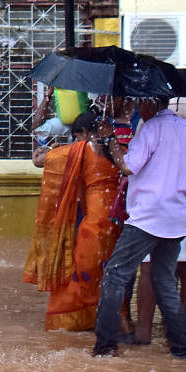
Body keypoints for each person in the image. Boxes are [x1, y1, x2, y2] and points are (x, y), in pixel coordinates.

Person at [93, 95, 186, 358]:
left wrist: (110, 138)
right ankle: (183, 348)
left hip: (147, 217)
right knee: (165, 282)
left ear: (150, 103)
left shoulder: (150, 128)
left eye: (138, 103)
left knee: (115, 274)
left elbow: (127, 167)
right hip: (176, 219)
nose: (135, 107)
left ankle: (105, 345)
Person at [23, 109, 123, 331]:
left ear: (86, 132)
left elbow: (40, 161)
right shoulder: (119, 149)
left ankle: (71, 324)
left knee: (82, 274)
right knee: (111, 273)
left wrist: (47, 152)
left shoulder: (82, 149)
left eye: (77, 136)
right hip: (117, 223)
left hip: (94, 223)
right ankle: (117, 322)